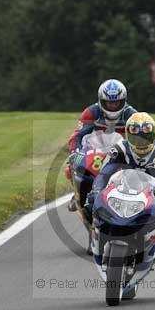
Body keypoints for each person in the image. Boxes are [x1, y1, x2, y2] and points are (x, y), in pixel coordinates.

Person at [85, 112, 155, 267]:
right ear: (128, 135)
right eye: (136, 137)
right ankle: (98, 236)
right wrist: (97, 190)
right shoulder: (119, 149)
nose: (141, 142)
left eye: (145, 137)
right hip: (122, 190)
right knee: (89, 204)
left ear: (153, 135)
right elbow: (103, 174)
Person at [65, 79, 138, 211]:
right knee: (72, 168)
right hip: (96, 149)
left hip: (122, 151)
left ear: (123, 100)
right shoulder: (91, 112)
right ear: (102, 101)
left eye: (116, 102)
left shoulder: (131, 114)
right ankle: (78, 194)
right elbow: (78, 135)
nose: (113, 106)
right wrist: (75, 152)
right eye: (109, 102)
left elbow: (141, 135)